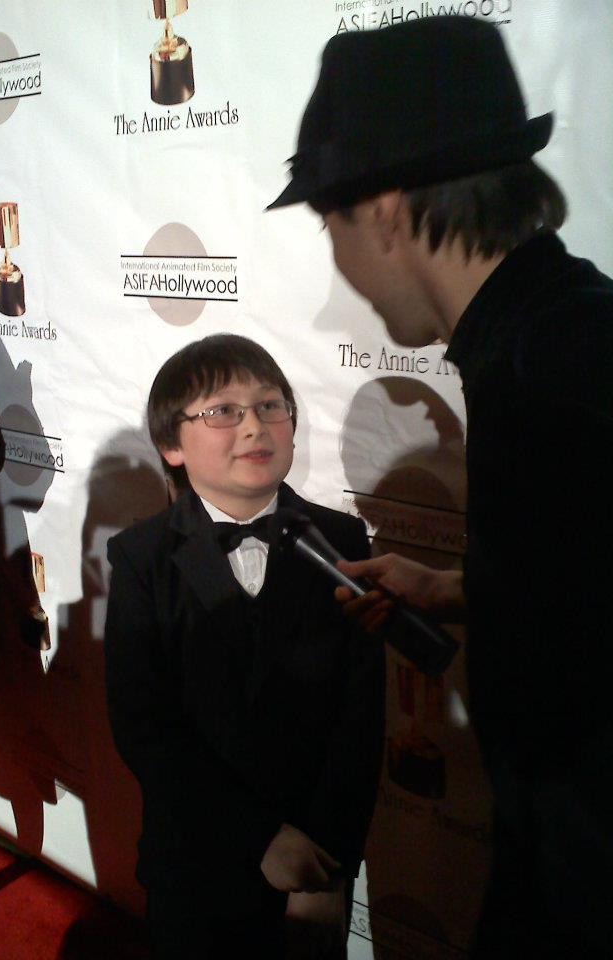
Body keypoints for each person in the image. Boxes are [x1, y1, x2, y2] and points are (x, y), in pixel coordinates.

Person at [268, 15, 613, 959]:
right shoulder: (538, 340)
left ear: (382, 208)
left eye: (329, 221)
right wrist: (456, 591)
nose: (337, 268)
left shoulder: (565, 359)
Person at [104, 333, 385, 959]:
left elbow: (359, 717)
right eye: (223, 411)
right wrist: (257, 837)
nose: (255, 426)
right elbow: (145, 727)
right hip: (199, 863)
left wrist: (327, 856)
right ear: (172, 446)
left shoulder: (341, 538)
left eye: (270, 406)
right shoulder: (142, 556)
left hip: (316, 863)